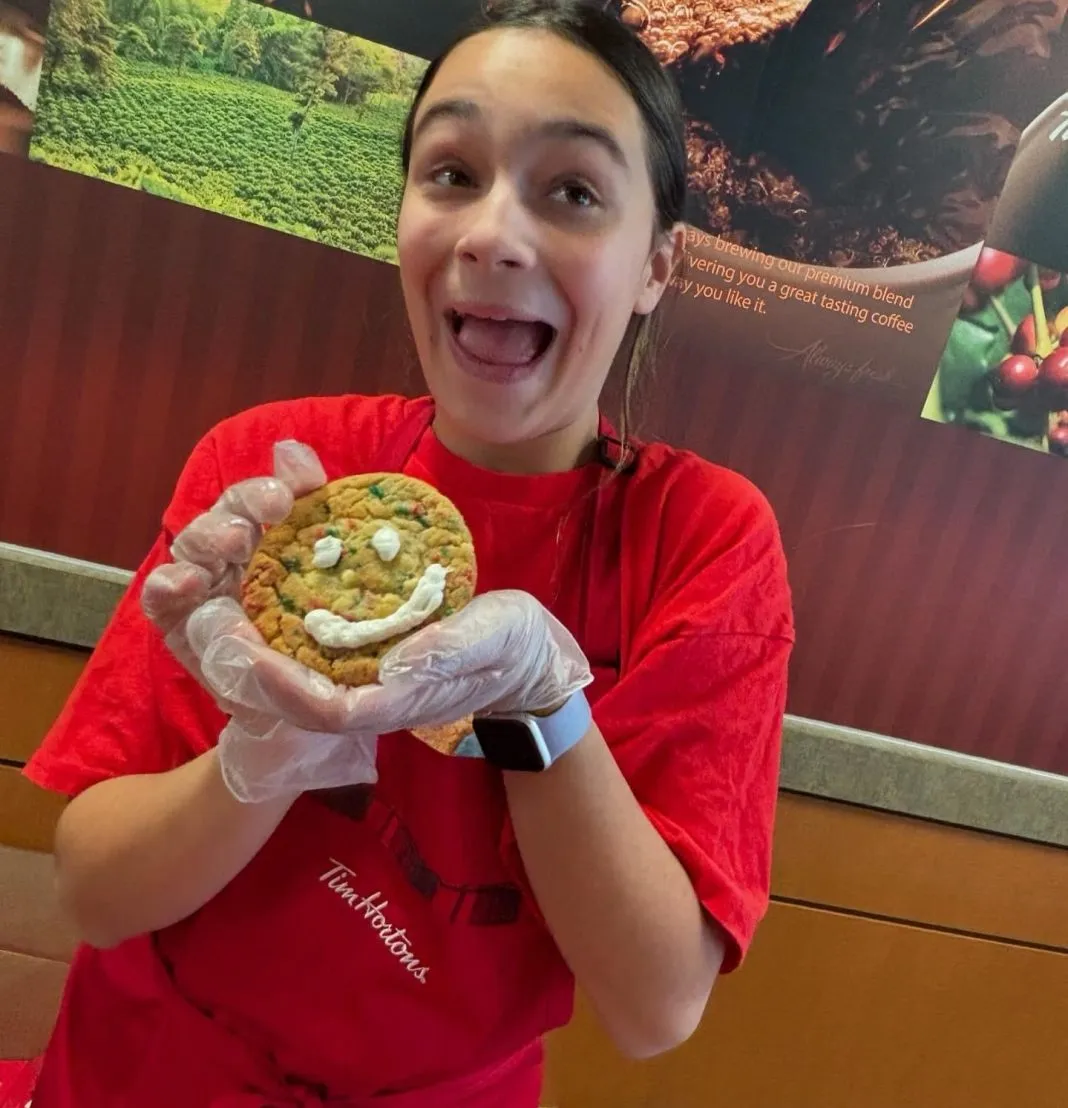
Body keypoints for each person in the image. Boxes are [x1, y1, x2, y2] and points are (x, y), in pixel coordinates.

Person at [23, 2, 794, 1104]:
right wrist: (264, 752)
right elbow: (95, 894)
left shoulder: (701, 537)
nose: (491, 235)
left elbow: (653, 1004)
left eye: (573, 191)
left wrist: (542, 711)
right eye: (452, 173)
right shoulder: (274, 484)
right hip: (144, 1070)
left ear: (657, 265)